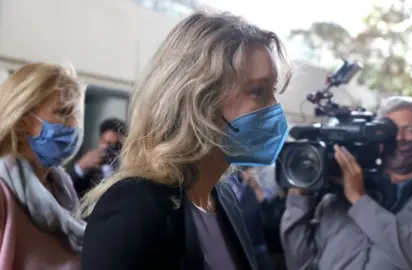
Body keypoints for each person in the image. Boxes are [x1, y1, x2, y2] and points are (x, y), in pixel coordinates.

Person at [78, 11, 291, 270]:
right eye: (258, 91)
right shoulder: (133, 208)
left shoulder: (223, 197)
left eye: (273, 91)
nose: (275, 109)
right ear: (199, 99)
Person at [281, 96, 412, 270]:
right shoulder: (336, 199)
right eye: (389, 131)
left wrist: (359, 199)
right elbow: (300, 263)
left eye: (410, 130)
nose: (399, 138)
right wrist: (300, 197)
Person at [0, 63, 86, 270]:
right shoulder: (3, 193)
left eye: (76, 115)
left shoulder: (61, 188)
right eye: (63, 112)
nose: (75, 125)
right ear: (21, 119)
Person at [67, 118, 126, 196]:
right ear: (100, 141)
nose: (110, 150)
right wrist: (80, 166)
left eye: (116, 146)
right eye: (107, 143)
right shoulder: (90, 170)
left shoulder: (127, 169)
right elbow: (68, 190)